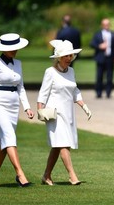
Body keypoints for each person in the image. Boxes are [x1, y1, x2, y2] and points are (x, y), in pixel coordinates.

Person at [37, 39, 92, 186]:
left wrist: (84, 106)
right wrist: (39, 110)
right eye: (66, 56)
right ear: (59, 58)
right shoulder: (50, 72)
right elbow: (43, 93)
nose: (69, 59)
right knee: (63, 144)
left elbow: (75, 91)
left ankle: (46, 175)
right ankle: (72, 176)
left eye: (71, 56)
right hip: (54, 114)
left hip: (68, 113)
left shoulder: (71, 71)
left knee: (57, 145)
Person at [0, 33, 34, 188]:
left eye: (16, 48)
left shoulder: (18, 63)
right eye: (11, 48)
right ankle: (20, 174)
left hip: (13, 107)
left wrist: (27, 107)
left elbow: (21, 87)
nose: (14, 51)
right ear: (4, 49)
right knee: (10, 137)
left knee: (4, 144)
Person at [90, 18, 114, 98]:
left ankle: (108, 93)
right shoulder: (97, 34)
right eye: (104, 24)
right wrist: (99, 46)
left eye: (107, 24)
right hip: (100, 58)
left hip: (110, 58)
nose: (106, 26)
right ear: (102, 25)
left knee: (110, 76)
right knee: (99, 76)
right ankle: (98, 93)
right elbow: (92, 44)